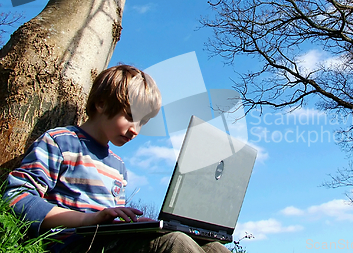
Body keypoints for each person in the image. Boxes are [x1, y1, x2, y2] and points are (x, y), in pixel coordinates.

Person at [3, 65, 231, 253]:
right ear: (101, 103)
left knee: (214, 248)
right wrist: (87, 220)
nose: (136, 131)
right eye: (131, 117)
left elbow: (113, 219)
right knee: (174, 244)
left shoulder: (118, 166)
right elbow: (16, 198)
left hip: (108, 242)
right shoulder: (60, 142)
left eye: (143, 123)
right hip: (72, 244)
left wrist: (132, 224)